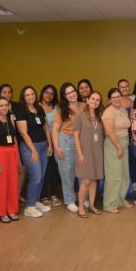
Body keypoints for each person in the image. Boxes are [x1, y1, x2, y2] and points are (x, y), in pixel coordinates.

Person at [15, 86, 53, 218]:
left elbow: (46, 128)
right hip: (30, 147)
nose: (30, 96)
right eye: (27, 95)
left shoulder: (39, 108)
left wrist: (49, 145)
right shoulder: (21, 111)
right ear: (23, 97)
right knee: (35, 177)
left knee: (41, 177)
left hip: (43, 146)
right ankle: (29, 207)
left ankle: (35, 202)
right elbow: (23, 133)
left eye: (32, 94)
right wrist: (33, 150)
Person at [52, 82, 86, 213]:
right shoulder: (61, 110)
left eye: (72, 91)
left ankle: (83, 198)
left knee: (83, 171)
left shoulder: (84, 106)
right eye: (68, 93)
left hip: (82, 141)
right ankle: (70, 200)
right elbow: (54, 130)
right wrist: (56, 147)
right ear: (64, 96)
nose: (71, 94)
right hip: (66, 141)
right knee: (67, 173)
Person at [73, 91, 105, 218]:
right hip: (85, 152)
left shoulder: (99, 117)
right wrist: (80, 153)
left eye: (97, 100)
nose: (94, 101)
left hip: (97, 152)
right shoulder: (80, 116)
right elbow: (75, 135)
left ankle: (91, 205)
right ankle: (80, 207)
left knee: (94, 180)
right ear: (87, 100)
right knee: (86, 181)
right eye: (92, 99)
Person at [102, 88, 132, 214]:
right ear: (109, 99)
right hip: (114, 144)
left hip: (124, 143)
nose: (117, 99)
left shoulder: (122, 109)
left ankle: (120, 199)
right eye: (114, 97)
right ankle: (109, 204)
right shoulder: (108, 112)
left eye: (118, 96)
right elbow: (110, 132)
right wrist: (119, 147)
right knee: (113, 175)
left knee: (124, 175)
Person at [39, 84, 62, 207]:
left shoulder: (57, 107)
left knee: (54, 168)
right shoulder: (37, 107)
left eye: (52, 93)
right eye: (46, 92)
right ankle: (43, 196)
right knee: (43, 169)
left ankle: (53, 194)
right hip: (42, 142)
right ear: (42, 93)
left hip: (56, 140)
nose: (49, 95)